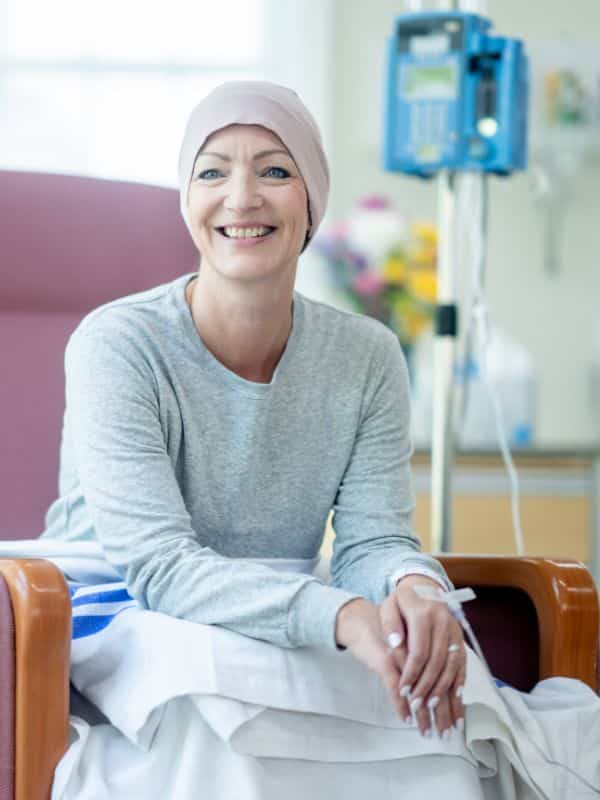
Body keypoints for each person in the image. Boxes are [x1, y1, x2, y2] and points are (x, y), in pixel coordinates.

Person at [41, 80, 466, 741]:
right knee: (227, 708)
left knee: (439, 705)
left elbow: (373, 543)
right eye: (212, 172)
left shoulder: (367, 356)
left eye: (274, 170)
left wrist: (412, 586)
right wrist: (344, 618)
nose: (242, 197)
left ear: (311, 203)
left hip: (270, 616)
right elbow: (156, 565)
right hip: (113, 612)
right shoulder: (117, 344)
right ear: (189, 202)